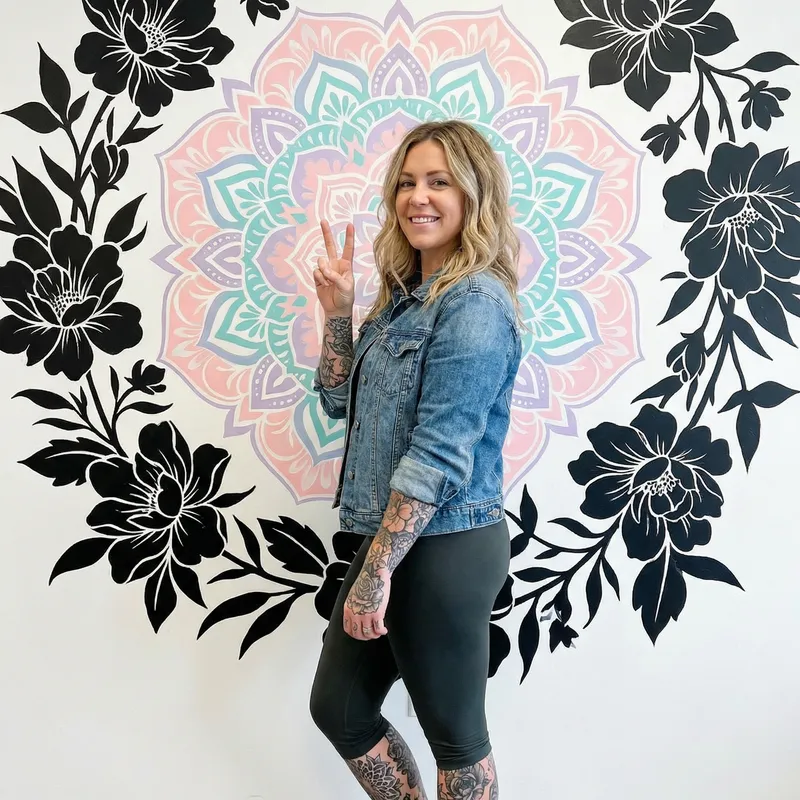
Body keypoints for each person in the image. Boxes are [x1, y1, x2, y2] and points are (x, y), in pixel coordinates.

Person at [309, 119, 522, 800]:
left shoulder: (476, 305)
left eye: (438, 181)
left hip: (446, 546)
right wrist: (339, 313)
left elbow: (436, 455)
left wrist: (375, 574)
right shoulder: (402, 302)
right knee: (339, 708)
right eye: (406, 182)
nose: (417, 197)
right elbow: (338, 403)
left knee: (456, 742)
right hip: (392, 540)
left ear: (473, 195)